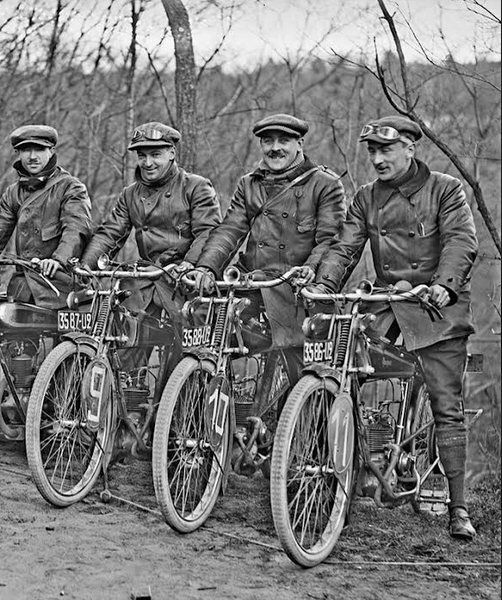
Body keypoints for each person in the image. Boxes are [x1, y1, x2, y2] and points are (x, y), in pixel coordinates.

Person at [308, 115, 479, 541]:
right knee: (339, 363)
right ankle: (343, 468)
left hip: (435, 308)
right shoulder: (366, 196)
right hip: (386, 303)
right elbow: (346, 245)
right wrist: (324, 284)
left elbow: (461, 242)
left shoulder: (444, 189)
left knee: (445, 401)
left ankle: (458, 506)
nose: (378, 159)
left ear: (410, 148)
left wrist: (444, 286)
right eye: (372, 152)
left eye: (386, 150)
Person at [197, 113, 346, 383]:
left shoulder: (324, 184)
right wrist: (207, 267)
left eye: (284, 140)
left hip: (296, 290)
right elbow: (230, 230)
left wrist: (311, 271)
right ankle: (217, 408)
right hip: (252, 284)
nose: (275, 147)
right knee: (210, 335)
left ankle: (299, 417)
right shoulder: (249, 183)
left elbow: (329, 240)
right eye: (268, 141)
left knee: (304, 373)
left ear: (299, 144)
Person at [81, 121, 221, 327]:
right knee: (122, 335)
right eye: (142, 156)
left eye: (155, 155)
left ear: (171, 153)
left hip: (184, 280)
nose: (147, 163)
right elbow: (110, 233)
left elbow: (208, 231)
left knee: (191, 342)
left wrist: (190, 264)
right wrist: (87, 266)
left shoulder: (195, 186)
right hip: (146, 278)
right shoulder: (130, 194)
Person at [0, 125, 92, 308]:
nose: (32, 157)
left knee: (68, 337)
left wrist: (58, 260)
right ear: (18, 153)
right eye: (25, 150)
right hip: (22, 286)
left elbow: (75, 230)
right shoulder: (14, 192)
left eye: (39, 149)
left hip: (59, 287)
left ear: (51, 151)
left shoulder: (70, 187)